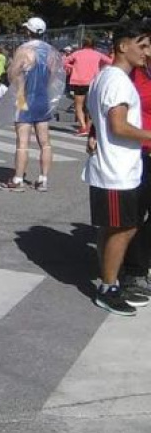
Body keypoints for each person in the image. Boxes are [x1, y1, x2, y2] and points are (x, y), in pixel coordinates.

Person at [82, 21, 151, 316]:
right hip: (116, 170)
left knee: (115, 227)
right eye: (142, 45)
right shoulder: (118, 80)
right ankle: (108, 288)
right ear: (123, 46)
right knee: (124, 228)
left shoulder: (106, 76)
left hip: (114, 167)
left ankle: (109, 280)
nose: (146, 52)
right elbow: (118, 126)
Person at [0, 17, 64, 193]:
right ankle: (43, 179)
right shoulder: (50, 51)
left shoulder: (24, 50)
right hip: (42, 98)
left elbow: (13, 73)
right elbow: (54, 75)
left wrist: (19, 89)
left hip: (24, 97)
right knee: (45, 142)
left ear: (28, 31)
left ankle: (18, 179)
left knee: (22, 142)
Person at [121, 37, 151, 300]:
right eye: (145, 46)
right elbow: (112, 108)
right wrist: (94, 133)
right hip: (139, 151)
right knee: (134, 214)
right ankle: (134, 272)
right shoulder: (132, 73)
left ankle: (139, 263)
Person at [65, 37, 112, 136]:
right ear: (94, 45)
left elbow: (64, 61)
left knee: (79, 105)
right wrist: (100, 67)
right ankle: (89, 127)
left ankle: (83, 127)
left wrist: (72, 67)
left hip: (79, 82)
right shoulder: (97, 54)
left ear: (83, 44)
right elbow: (110, 62)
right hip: (93, 82)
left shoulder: (77, 53)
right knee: (91, 106)